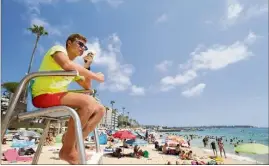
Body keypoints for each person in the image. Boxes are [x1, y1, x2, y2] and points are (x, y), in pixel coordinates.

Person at [31, 34, 105, 164]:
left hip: (58, 97)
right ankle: (67, 151)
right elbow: (66, 65)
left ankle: (74, 144)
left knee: (100, 109)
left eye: (85, 46)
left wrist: (87, 65)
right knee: (88, 102)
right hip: (42, 95)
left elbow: (87, 86)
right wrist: (95, 76)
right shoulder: (58, 49)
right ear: (69, 43)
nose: (83, 48)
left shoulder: (76, 68)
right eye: (80, 44)